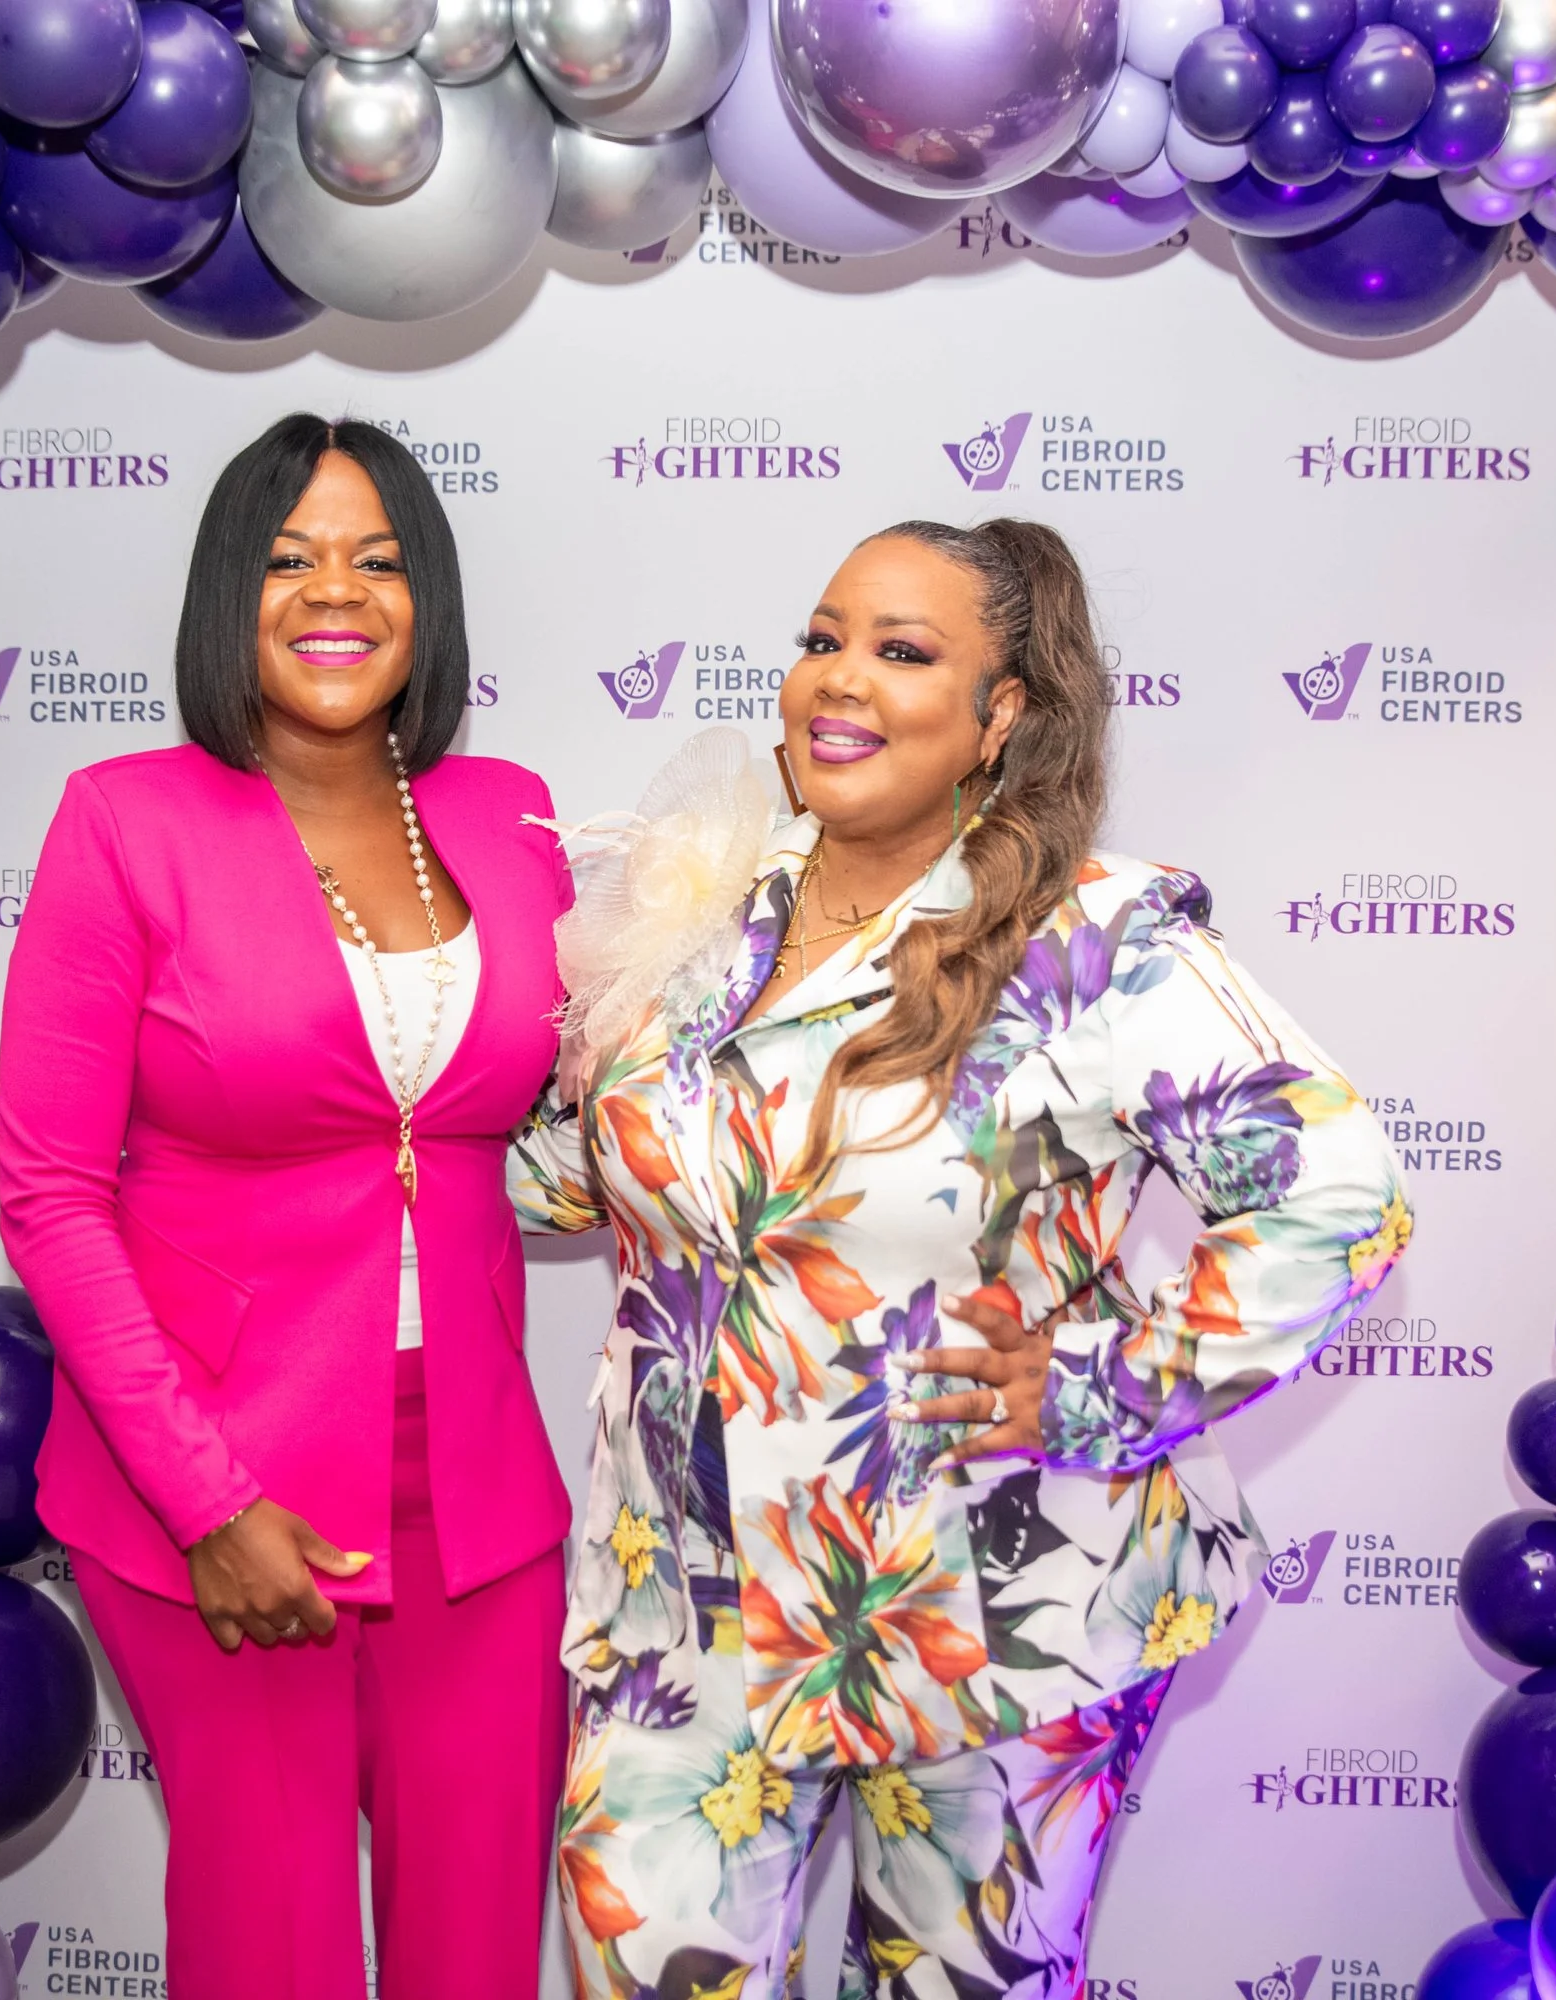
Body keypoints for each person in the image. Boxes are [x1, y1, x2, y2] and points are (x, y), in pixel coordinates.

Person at [514, 518, 1411, 1997]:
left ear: (1004, 714)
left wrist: (1107, 1384)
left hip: (999, 1609)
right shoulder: (699, 906)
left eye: (902, 651)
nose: (839, 680)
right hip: (688, 1612)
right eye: (822, 640)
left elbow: (1339, 1195)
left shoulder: (1096, 942)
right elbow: (583, 1178)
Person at [0, 416, 570, 2000]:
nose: (338, 590)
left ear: (427, 597)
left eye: (379, 558)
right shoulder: (124, 820)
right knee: (275, 1947)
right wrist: (206, 1502)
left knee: (477, 1947)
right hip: (215, 1480)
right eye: (290, 555)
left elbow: (593, 1111)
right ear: (227, 592)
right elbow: (50, 1194)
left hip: (475, 1486)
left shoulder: (515, 820)